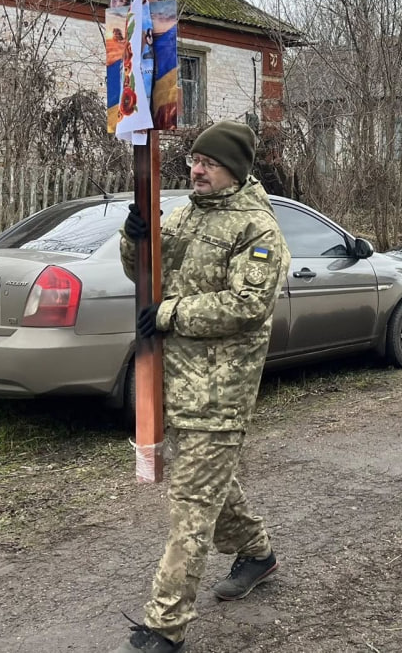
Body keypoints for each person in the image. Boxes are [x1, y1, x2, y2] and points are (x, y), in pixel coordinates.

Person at [114, 121, 291, 653]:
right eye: (193, 160)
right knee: (210, 486)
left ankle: (164, 627)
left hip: (220, 391)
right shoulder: (188, 213)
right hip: (174, 382)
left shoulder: (258, 229)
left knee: (191, 504)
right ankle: (258, 554)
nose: (196, 169)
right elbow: (141, 272)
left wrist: (170, 313)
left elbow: (247, 305)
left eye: (208, 162)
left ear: (234, 168)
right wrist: (136, 235)